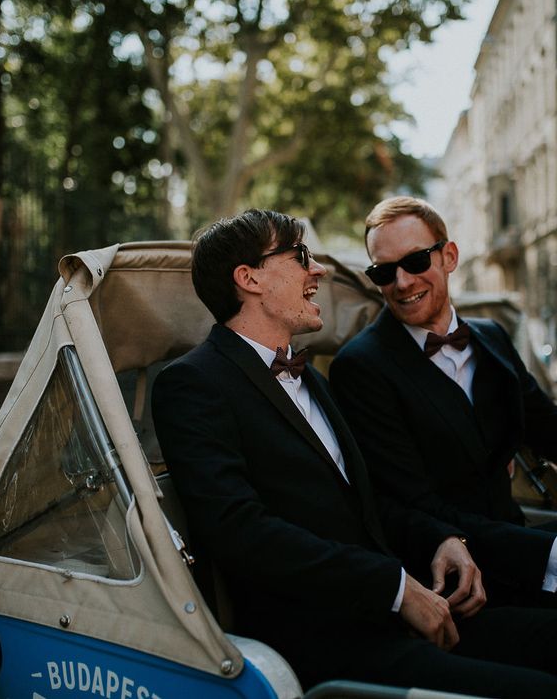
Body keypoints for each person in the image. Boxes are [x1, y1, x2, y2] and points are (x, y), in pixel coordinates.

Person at [151, 208, 557, 698]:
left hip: (397, 611)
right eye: (300, 256)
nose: (317, 270)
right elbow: (241, 532)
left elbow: (367, 503)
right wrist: (395, 588)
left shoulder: (313, 381)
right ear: (249, 278)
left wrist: (443, 539)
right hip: (322, 639)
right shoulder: (192, 384)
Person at [329, 196, 557, 606]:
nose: (401, 283)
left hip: (520, 549)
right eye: (384, 271)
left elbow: (547, 427)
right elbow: (413, 504)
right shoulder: (360, 368)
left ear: (448, 256)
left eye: (415, 262)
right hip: (448, 582)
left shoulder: (492, 337)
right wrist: (547, 554)